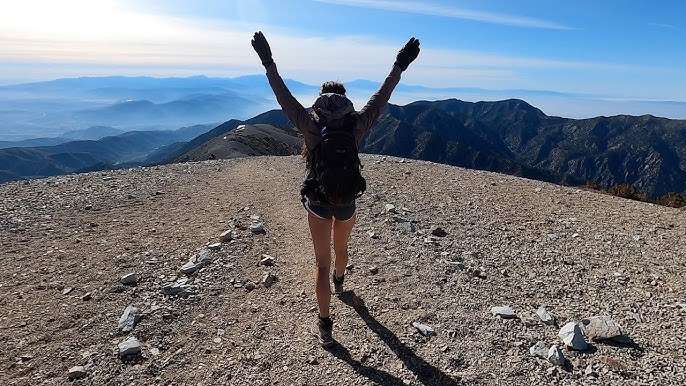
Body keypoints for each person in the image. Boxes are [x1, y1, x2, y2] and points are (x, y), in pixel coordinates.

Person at [251, 31, 420, 347]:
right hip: (346, 201)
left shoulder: (309, 123)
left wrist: (268, 61)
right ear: (345, 100)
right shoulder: (355, 124)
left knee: (321, 262)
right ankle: (340, 284)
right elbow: (383, 95)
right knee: (341, 251)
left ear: (320, 98)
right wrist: (399, 64)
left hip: (317, 200)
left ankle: (326, 326)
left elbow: (281, 93)